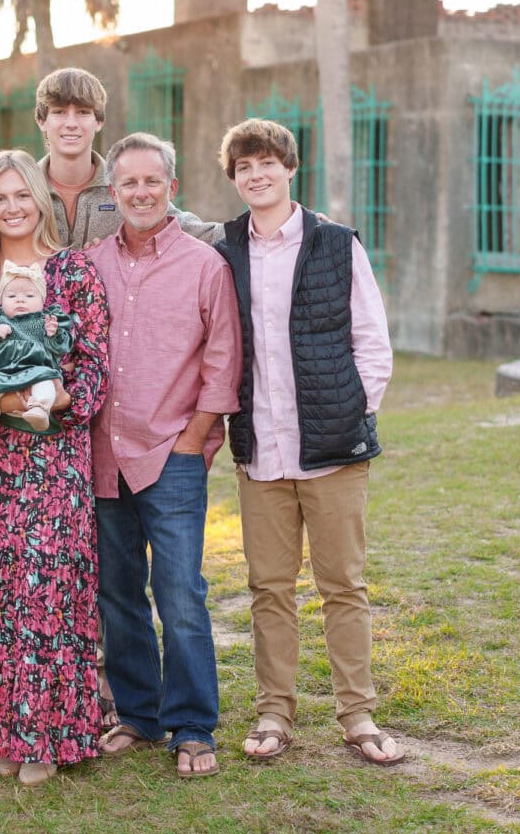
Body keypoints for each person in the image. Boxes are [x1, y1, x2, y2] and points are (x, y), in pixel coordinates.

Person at [212, 118, 401, 766]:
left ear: (289, 167)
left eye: (267, 162)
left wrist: (351, 416)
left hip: (332, 451)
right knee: (269, 588)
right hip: (260, 452)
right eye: (244, 167)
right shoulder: (224, 248)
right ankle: (274, 713)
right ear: (234, 178)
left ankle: (358, 714)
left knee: (343, 586)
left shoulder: (336, 243)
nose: (256, 175)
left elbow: (372, 344)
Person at [0, 150, 111, 787]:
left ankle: (43, 734)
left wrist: (54, 398)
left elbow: (92, 366)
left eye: (22, 195)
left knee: (45, 594)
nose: (12, 208)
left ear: (39, 198)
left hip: (55, 461)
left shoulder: (75, 273)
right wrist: (3, 402)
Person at [86, 133, 242, 780]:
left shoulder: (205, 266)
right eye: (129, 184)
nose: (142, 193)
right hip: (101, 454)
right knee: (116, 594)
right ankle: (139, 714)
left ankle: (193, 725)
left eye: (153, 182)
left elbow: (223, 361)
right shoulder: (90, 263)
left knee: (179, 594)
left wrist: (191, 437)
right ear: (113, 193)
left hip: (172, 452)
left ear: (171, 189)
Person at [0, 67, 221, 247]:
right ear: (41, 121)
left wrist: (257, 228)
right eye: (59, 112)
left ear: (98, 122)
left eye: (83, 113)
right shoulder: (17, 186)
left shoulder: (122, 186)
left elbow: (193, 230)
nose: (71, 123)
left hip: (104, 336)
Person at [0, 261, 73, 439]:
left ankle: (40, 409)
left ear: (42, 300)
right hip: (2, 371)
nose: (20, 299)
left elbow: (62, 348)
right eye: (11, 296)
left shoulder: (45, 320)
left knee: (47, 381)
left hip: (36, 369)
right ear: (1, 301)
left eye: (30, 295)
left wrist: (52, 334)